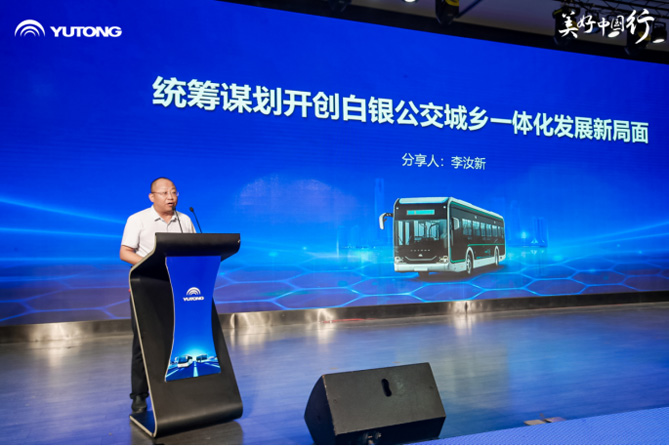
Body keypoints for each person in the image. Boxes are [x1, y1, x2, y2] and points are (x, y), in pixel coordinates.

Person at [120, 177, 195, 414]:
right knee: (144, 342)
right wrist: (153, 265)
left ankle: (178, 390)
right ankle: (139, 395)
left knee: (177, 339)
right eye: (164, 193)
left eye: (174, 192)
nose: (170, 197)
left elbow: (194, 250)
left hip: (178, 288)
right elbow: (125, 252)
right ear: (152, 197)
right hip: (146, 287)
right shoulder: (137, 219)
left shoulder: (185, 220)